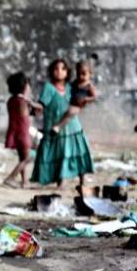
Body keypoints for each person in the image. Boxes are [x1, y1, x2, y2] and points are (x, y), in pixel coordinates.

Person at [31, 59, 94, 187]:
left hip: (72, 126)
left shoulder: (71, 87)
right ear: (51, 72)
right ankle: (60, 181)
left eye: (63, 69)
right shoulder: (48, 88)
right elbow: (42, 104)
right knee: (59, 154)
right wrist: (31, 104)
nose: (59, 72)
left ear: (67, 72)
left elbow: (83, 98)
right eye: (56, 69)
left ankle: (82, 179)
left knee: (78, 151)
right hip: (55, 125)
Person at [3, 72, 42, 188]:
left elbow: (21, 114)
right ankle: (10, 178)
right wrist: (35, 105)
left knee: (22, 157)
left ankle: (24, 181)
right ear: (25, 86)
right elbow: (38, 108)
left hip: (14, 132)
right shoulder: (24, 101)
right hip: (23, 133)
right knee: (27, 158)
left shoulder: (11, 100)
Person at [52, 60, 98, 134]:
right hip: (70, 102)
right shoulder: (75, 82)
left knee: (71, 112)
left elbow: (94, 97)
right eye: (78, 74)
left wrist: (86, 99)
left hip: (78, 106)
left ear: (90, 74)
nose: (80, 76)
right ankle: (50, 125)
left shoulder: (89, 86)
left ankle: (58, 127)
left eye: (83, 74)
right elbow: (68, 88)